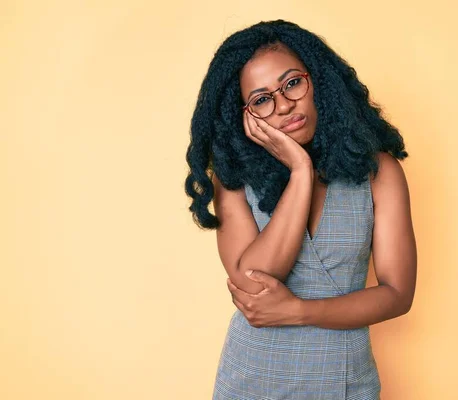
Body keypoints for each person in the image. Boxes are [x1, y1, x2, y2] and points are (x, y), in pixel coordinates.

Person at [184, 19, 417, 400]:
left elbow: (397, 294)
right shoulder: (232, 180)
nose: (283, 105)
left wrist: (298, 311)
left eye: (292, 83)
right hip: (251, 381)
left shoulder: (379, 173)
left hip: (344, 382)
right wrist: (300, 170)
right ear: (244, 114)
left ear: (318, 81)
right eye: (261, 100)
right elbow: (254, 280)